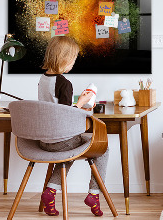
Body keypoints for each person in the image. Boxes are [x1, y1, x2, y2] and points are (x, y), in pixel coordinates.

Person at [38, 36, 109, 217]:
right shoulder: (64, 83)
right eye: (73, 60)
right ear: (65, 59)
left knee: (68, 152)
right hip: (61, 140)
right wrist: (83, 102)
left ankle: (51, 192)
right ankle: (94, 194)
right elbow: (66, 115)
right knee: (103, 148)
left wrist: (79, 104)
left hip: (44, 140)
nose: (73, 64)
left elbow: (55, 108)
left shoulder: (43, 79)